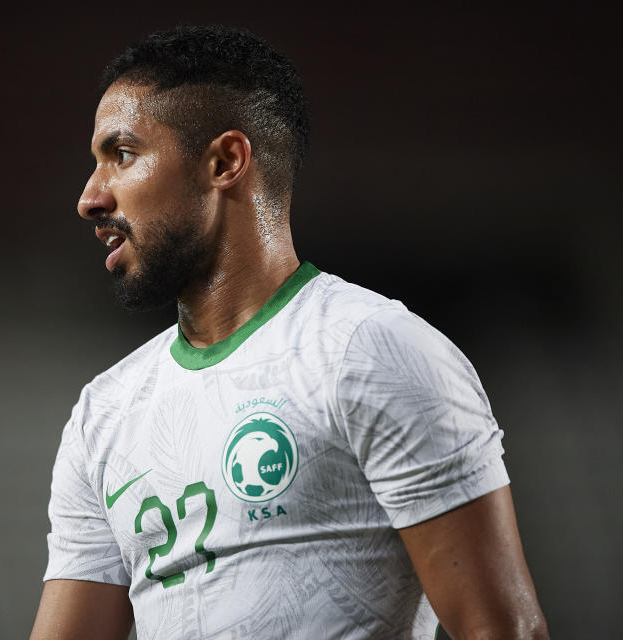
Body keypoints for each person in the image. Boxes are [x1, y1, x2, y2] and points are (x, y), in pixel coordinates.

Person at [30, 25, 549, 640]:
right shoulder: (104, 413)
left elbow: (503, 630)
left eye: (121, 155)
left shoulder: (371, 351)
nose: (90, 197)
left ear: (225, 162)